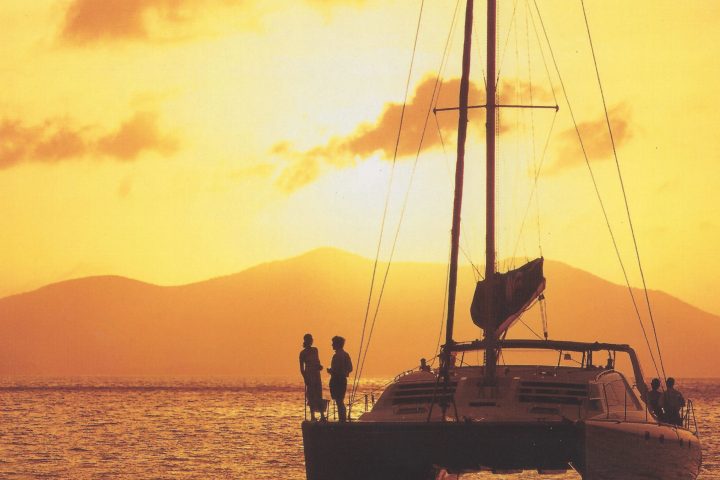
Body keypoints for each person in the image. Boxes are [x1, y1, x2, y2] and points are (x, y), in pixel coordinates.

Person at [299, 333, 325, 421]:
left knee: (319, 394)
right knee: (311, 395)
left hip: (317, 374)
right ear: (306, 340)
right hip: (309, 375)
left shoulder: (315, 350)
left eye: (311, 339)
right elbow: (301, 369)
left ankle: (322, 415)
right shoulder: (302, 353)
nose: (311, 341)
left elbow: (317, 362)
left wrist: (320, 366)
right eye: (309, 339)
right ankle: (313, 416)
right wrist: (305, 378)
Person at [328, 335, 353, 422]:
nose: (332, 345)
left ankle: (342, 419)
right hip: (342, 380)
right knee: (340, 400)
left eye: (333, 343)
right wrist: (344, 372)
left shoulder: (337, 356)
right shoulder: (346, 355)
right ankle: (342, 418)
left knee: (339, 401)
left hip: (337, 379)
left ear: (337, 344)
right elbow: (350, 368)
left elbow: (336, 370)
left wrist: (332, 371)